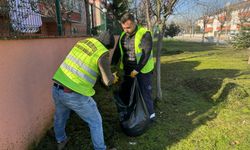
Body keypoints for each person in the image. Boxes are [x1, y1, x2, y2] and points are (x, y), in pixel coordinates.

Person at [51, 31, 118, 150]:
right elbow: (107, 81)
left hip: (57, 87)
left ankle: (60, 140)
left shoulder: (82, 42)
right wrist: (113, 77)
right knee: (96, 121)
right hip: (73, 94)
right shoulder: (102, 53)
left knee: (60, 116)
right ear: (107, 46)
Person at [112, 12, 155, 121]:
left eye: (128, 27)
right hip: (127, 70)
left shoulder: (144, 34)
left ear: (135, 23)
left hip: (143, 70)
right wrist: (112, 68)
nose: (126, 30)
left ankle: (150, 116)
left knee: (145, 93)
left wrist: (137, 69)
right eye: (124, 28)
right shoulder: (122, 35)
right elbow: (117, 52)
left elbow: (146, 54)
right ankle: (131, 113)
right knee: (127, 92)